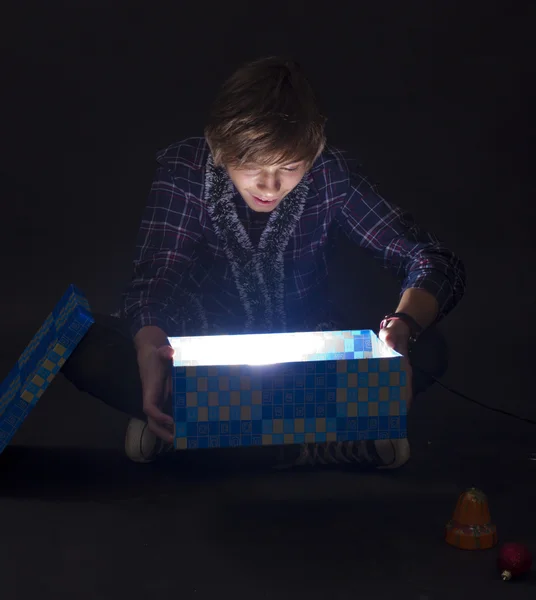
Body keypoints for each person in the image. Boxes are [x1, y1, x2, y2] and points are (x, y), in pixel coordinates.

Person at [62, 56, 465, 469]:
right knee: (76, 343)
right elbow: (156, 279)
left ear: (314, 151)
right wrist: (149, 343)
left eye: (289, 167)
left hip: (302, 363)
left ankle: (199, 434)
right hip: (200, 363)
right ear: (218, 147)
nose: (270, 186)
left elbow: (432, 259)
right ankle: (323, 437)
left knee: (427, 348)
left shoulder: (331, 175)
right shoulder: (184, 171)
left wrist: (404, 326)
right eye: (252, 167)